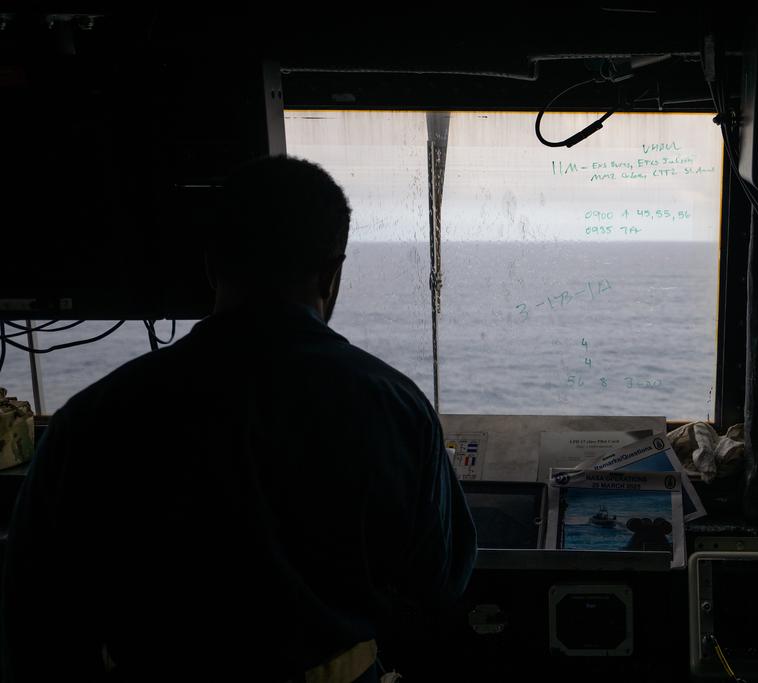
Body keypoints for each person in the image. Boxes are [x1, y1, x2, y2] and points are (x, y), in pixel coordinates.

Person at [0, 156, 476, 682]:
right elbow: (438, 585)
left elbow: (36, 618)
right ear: (330, 272)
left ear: (211, 265)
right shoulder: (395, 408)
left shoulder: (93, 418)